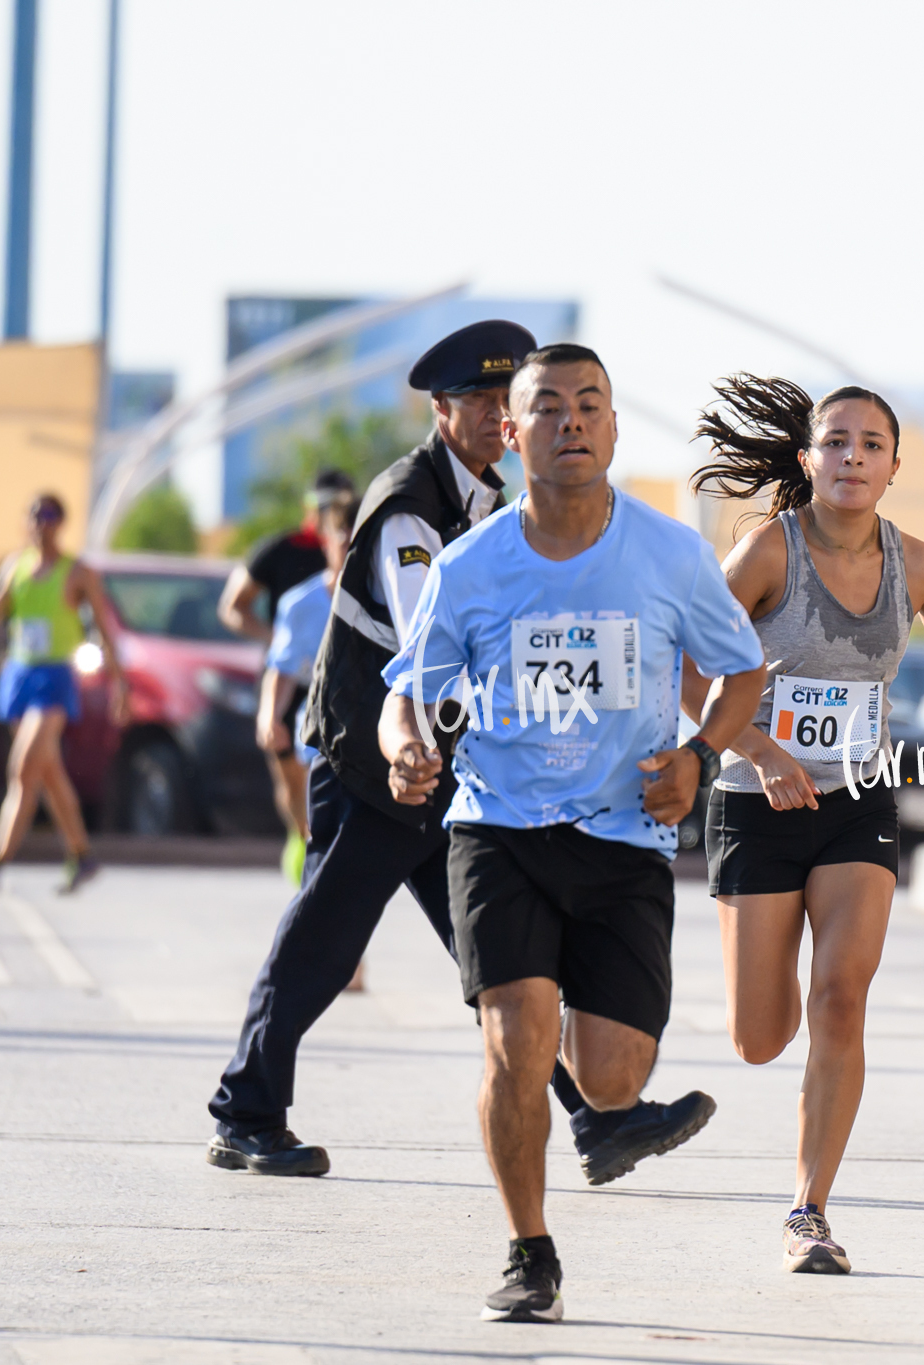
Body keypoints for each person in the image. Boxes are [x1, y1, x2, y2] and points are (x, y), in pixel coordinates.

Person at [209, 322, 715, 1184]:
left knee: (506, 961)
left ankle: (596, 1120)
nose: (495, 416)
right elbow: (430, 645)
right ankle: (245, 1111)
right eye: (478, 401)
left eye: (503, 400)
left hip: (447, 776)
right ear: (441, 411)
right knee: (328, 940)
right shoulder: (412, 504)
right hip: (382, 767)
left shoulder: (484, 498)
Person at [378, 343, 768, 1323]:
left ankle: (610, 1114)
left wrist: (697, 759)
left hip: (627, 838)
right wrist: (404, 747)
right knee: (514, 1043)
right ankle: (528, 1252)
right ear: (512, 434)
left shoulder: (670, 553)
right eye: (546, 408)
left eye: (588, 404)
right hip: (498, 831)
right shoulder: (470, 567)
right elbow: (405, 694)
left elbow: (740, 672)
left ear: (611, 427)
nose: (570, 422)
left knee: (606, 1079)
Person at [688, 376, 924, 1275]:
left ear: (895, 466)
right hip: (757, 803)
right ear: (808, 459)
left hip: (856, 803)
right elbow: (687, 667)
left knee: (843, 992)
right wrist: (758, 749)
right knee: (761, 1035)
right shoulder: (766, 553)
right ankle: (771, 980)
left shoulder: (922, 562)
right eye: (836, 442)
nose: (853, 457)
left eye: (871, 444)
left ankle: (809, 1210)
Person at [0, 493, 128, 895]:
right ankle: (81, 855)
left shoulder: (78, 571)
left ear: (61, 522)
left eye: (49, 516)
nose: (41, 523)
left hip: (54, 676)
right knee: (48, 774)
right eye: (35, 515)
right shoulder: (15, 566)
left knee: (23, 770)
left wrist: (120, 683)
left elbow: (105, 628)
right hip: (20, 673)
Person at [222, 469, 360, 870]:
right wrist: (277, 639)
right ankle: (300, 833)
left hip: (339, 680)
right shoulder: (281, 551)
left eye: (341, 506)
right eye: (325, 506)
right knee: (291, 775)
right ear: (310, 508)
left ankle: (322, 845)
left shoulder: (364, 555)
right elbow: (233, 608)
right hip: (292, 674)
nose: (333, 515)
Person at [256, 486, 355, 884]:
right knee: (315, 822)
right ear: (327, 542)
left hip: (367, 734)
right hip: (316, 731)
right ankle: (303, 845)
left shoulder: (390, 597)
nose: (349, 551)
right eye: (342, 541)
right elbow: (281, 668)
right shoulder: (300, 604)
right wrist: (270, 715)